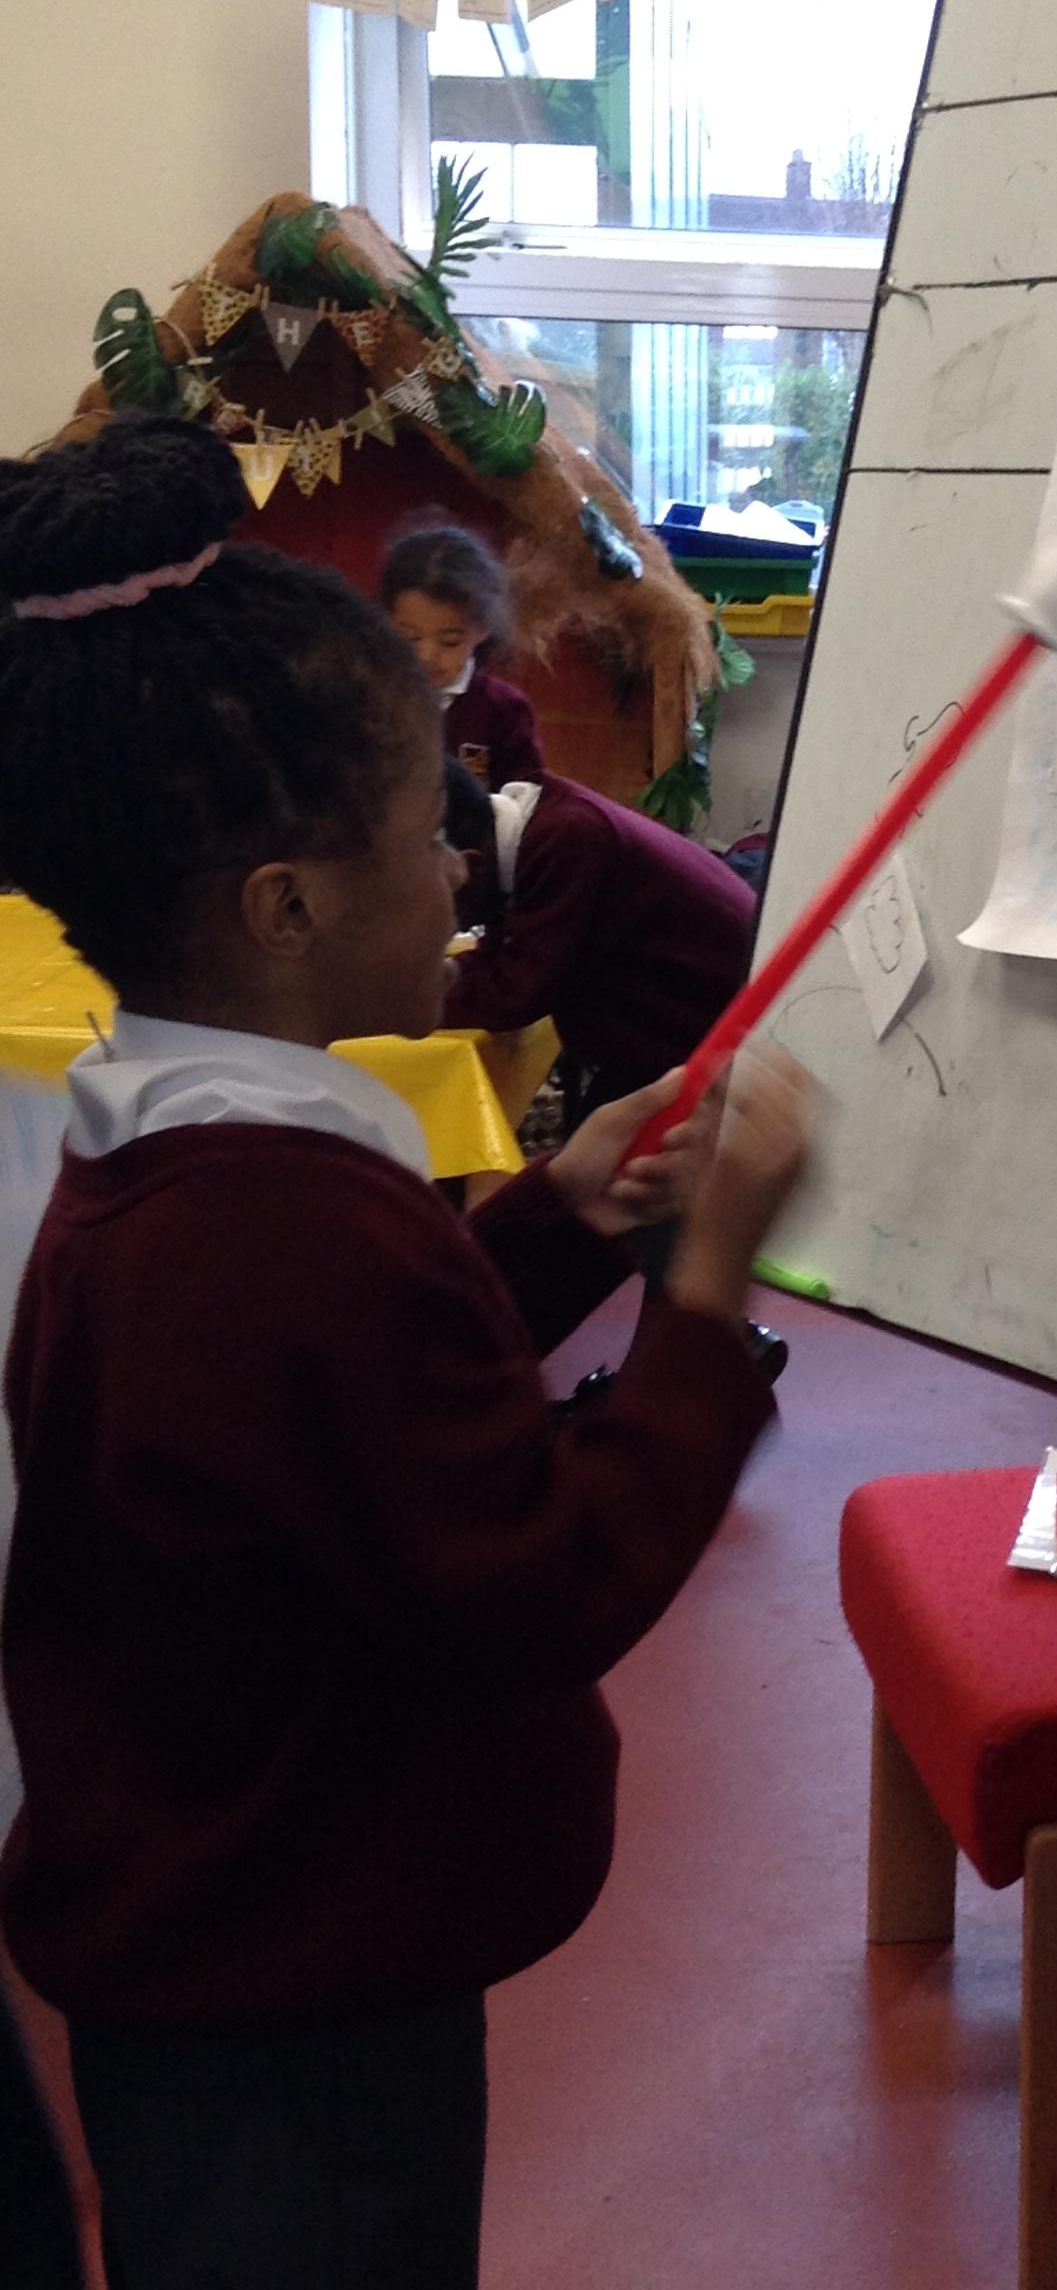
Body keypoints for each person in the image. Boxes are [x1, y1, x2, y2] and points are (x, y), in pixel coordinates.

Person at [0, 417, 812, 2290]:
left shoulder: (175, 1150)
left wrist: (561, 1214)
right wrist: (704, 1298)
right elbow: (538, 1576)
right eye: (420, 836)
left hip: (220, 1985)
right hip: (307, 2021)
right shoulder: (288, 1228)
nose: (459, 874)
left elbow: (347, 1424)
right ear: (286, 907)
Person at [441, 761, 757, 1123]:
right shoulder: (530, 835)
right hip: (672, 1043)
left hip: (718, 1054)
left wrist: (407, 994)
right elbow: (501, 956)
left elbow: (514, 992)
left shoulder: (567, 838)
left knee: (599, 1149)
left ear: (472, 868)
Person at [381, 519, 544, 786]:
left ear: (481, 629)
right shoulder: (370, 696)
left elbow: (525, 791)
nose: (426, 655)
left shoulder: (503, 710)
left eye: (449, 642)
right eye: (410, 638)